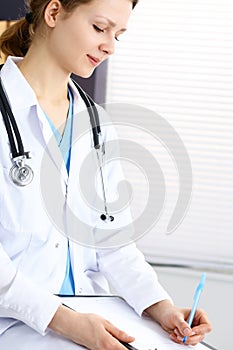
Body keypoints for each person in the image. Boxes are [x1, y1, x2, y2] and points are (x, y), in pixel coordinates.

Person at [0, 0, 211, 349]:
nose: (109, 46)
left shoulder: (96, 124)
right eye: (100, 28)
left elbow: (112, 241)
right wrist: (66, 321)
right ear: (53, 13)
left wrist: (161, 307)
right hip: (17, 321)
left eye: (119, 34)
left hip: (94, 312)